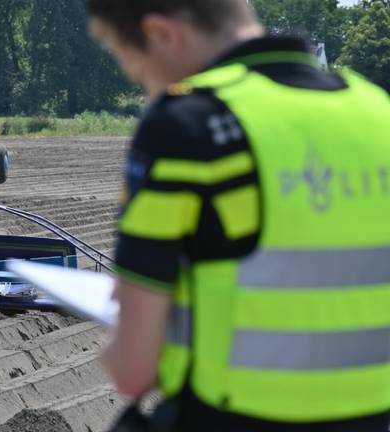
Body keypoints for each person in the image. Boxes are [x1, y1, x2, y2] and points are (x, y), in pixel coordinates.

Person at [87, 0, 390, 431]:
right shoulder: (378, 111)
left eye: (134, 67)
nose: (143, 87)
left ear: (160, 34)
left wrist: (114, 349)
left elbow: (135, 371)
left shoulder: (189, 124)